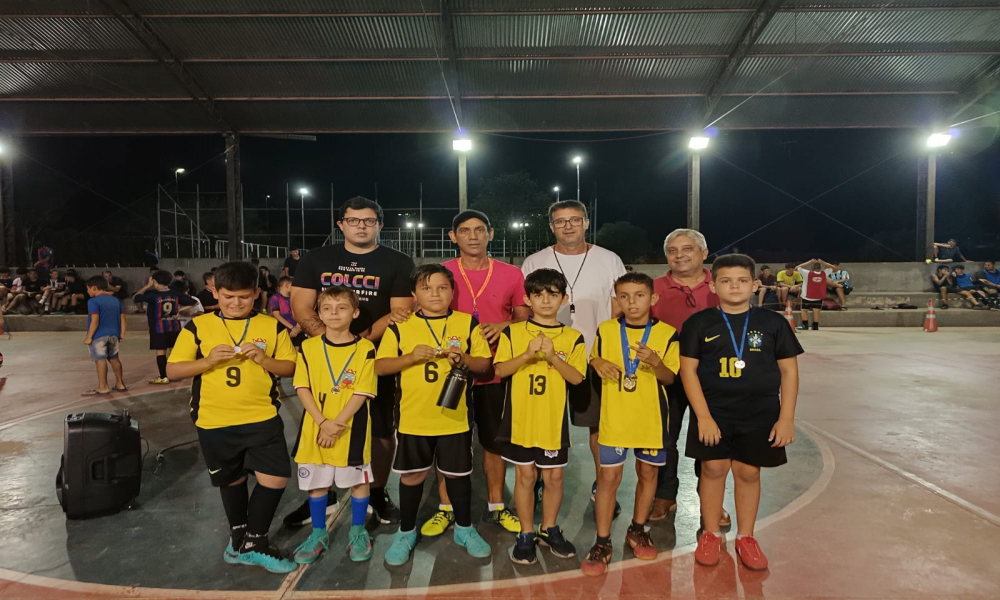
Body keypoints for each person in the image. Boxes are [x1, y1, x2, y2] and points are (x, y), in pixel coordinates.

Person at [289, 196, 415, 527]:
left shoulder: (398, 261)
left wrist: (357, 345)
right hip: (322, 358)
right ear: (341, 224)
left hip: (373, 356)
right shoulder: (316, 258)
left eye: (369, 221)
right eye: (354, 220)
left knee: (382, 429)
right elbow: (302, 306)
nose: (361, 226)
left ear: (380, 225)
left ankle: (376, 492)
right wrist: (327, 342)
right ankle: (322, 493)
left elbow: (399, 312)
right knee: (321, 421)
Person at [166, 261, 298, 574]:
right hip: (214, 420)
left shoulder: (271, 326)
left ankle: (255, 540)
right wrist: (207, 361)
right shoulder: (198, 326)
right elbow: (173, 370)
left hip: (261, 417)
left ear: (256, 293)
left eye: (243, 297)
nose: (235, 303)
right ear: (215, 292)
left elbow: (291, 368)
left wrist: (265, 359)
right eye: (228, 297)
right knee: (232, 479)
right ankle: (238, 539)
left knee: (276, 477)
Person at [683, 254, 803, 571]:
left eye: (741, 280)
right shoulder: (698, 323)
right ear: (713, 285)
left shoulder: (773, 323)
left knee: (749, 472)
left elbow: (789, 373)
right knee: (712, 470)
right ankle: (710, 533)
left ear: (753, 285)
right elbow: (688, 372)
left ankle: (746, 536)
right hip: (713, 411)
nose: (734, 286)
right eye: (725, 280)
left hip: (760, 412)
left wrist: (786, 418)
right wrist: (703, 417)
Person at [374, 264, 494, 565]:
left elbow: (485, 366)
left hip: (454, 418)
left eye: (442, 287)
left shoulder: (467, 323)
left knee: (458, 475)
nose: (435, 294)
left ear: (452, 292)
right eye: (426, 288)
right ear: (414, 294)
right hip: (414, 418)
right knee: (413, 475)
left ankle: (464, 528)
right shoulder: (400, 327)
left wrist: (463, 358)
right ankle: (406, 531)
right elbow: (379, 366)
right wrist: (410, 357)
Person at [420, 210, 530, 538]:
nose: (472, 236)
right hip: (450, 371)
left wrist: (504, 325)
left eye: (479, 230)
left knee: (494, 443)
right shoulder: (441, 273)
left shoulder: (511, 273)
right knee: (448, 442)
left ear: (490, 234)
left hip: (495, 372)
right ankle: (446, 508)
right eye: (465, 231)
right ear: (453, 236)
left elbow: (525, 318)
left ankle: (497, 505)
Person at [521, 200, 627, 517]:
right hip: (545, 359)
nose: (568, 226)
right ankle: (539, 481)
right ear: (551, 226)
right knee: (543, 425)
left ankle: (603, 487)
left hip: (595, 357)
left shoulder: (609, 260)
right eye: (560, 221)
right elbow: (526, 310)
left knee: (598, 428)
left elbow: (619, 307)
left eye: (574, 220)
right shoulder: (535, 261)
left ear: (586, 222)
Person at [581, 272, 680, 576]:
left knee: (648, 473)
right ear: (617, 300)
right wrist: (595, 362)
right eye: (624, 296)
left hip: (650, 420)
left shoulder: (667, 333)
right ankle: (601, 541)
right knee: (608, 480)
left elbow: (670, 378)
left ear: (653, 299)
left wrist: (656, 362)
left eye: (639, 295)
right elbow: (595, 359)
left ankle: (638, 528)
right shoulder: (608, 329)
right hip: (614, 421)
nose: (631, 302)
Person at [494, 268, 586, 565]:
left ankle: (549, 529)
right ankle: (526, 532)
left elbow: (576, 379)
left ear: (564, 298)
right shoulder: (513, 331)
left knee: (554, 476)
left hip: (552, 422)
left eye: (552, 294)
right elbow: (499, 370)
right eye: (538, 294)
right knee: (525, 475)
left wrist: (552, 357)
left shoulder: (573, 337)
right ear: (527, 299)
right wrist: (527, 355)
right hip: (520, 420)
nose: (545, 300)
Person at [290, 287, 377, 564]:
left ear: (355, 312)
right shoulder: (308, 346)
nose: (334, 313)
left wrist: (336, 423)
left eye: (341, 307)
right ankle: (318, 533)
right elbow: (301, 387)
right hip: (316, 427)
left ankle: (358, 531)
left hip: (352, 428)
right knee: (317, 485)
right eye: (327, 308)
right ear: (319, 313)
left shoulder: (365, 348)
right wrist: (322, 422)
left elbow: (362, 392)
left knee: (357, 482)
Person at [648, 229, 726, 524]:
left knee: (709, 438)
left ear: (704, 253)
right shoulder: (653, 288)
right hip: (665, 376)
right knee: (663, 439)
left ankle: (711, 499)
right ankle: (665, 496)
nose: (679, 255)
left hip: (711, 377)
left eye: (687, 248)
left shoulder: (720, 286)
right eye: (672, 250)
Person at [133, 270, 198, 384]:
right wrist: (179, 309)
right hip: (174, 326)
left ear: (155, 281)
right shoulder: (175, 294)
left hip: (159, 328)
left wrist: (148, 286)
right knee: (174, 352)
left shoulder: (152, 295)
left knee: (161, 353)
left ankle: (164, 376)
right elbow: (194, 303)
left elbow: (136, 297)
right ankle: (176, 374)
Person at [82, 275, 128, 396]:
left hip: (99, 335)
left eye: (88, 289)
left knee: (100, 360)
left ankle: (103, 386)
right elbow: (122, 318)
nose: (87, 291)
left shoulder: (93, 301)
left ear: (94, 288)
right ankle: (120, 383)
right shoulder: (115, 300)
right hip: (114, 335)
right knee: (114, 358)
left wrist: (89, 336)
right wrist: (122, 333)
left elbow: (95, 320)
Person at [269, 276, 304, 348]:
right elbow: (276, 315)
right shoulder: (275, 297)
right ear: (287, 285)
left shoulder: (294, 298)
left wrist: (297, 327)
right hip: (284, 331)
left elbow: (300, 312)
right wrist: (292, 328)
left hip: (297, 330)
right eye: (293, 285)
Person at [795, 259, 827, 331]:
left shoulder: (807, 273)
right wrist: (823, 262)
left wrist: (809, 262)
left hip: (807, 296)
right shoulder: (824, 273)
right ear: (820, 267)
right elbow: (833, 268)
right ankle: (815, 326)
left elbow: (797, 267)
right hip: (818, 297)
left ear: (812, 267)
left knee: (804, 310)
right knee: (816, 311)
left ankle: (805, 325)